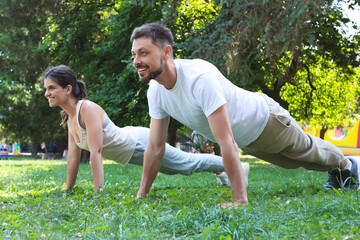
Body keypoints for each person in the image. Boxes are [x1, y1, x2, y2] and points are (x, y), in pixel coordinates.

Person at [130, 22, 360, 208]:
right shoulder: (156, 91)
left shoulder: (199, 78)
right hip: (248, 139)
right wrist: (142, 194)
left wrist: (239, 200)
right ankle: (339, 169)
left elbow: (225, 139)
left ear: (166, 52)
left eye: (143, 53)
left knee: (306, 151)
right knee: (294, 163)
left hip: (267, 120)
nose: (136, 61)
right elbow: (155, 147)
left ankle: (346, 164)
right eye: (134, 55)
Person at [42, 65, 250, 192]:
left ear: (68, 89)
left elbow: (96, 152)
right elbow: (73, 157)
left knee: (186, 164)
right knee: (177, 168)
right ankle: (224, 170)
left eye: (52, 88)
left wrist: (99, 191)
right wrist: (68, 189)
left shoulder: (87, 108)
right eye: (46, 89)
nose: (47, 93)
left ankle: (237, 168)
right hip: (133, 148)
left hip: (138, 143)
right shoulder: (70, 119)